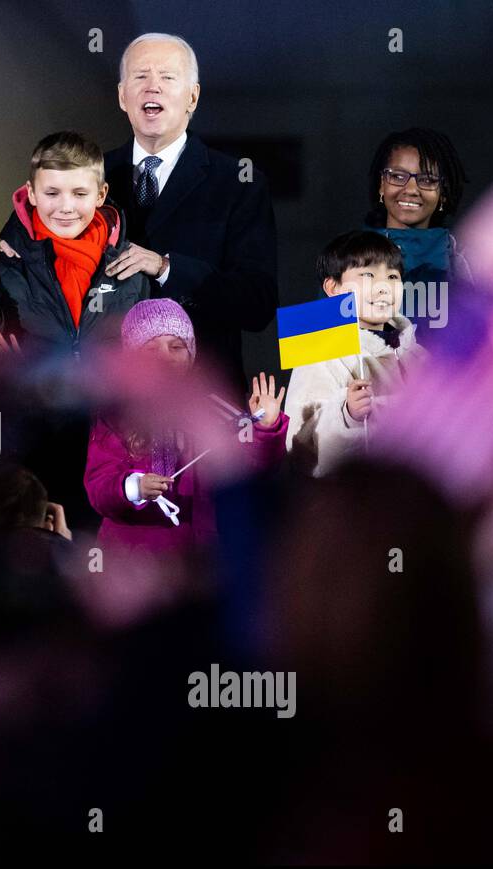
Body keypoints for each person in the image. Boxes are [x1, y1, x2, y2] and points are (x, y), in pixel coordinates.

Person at [103, 33, 278, 384]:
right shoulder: (89, 178)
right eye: (140, 76)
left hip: (202, 400)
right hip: (111, 401)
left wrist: (166, 267)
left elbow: (256, 304)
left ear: (192, 97)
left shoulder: (238, 183)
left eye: (167, 77)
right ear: (123, 96)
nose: (152, 87)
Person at [84, 298, 286, 553]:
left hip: (198, 563)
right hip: (134, 566)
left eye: (176, 346)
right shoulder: (116, 416)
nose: (165, 357)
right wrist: (134, 487)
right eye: (151, 349)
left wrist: (266, 428)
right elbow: (98, 487)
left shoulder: (211, 412)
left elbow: (252, 469)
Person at [0, 130, 151, 361]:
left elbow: (151, 367)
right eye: (52, 193)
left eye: (80, 193)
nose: (66, 207)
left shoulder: (130, 270)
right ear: (31, 193)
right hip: (24, 398)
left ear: (101, 195)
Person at [283, 230, 428, 477]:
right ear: (333, 287)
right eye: (368, 275)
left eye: (392, 276)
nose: (384, 287)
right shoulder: (322, 350)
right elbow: (299, 443)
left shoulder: (417, 354)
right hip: (355, 502)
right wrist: (346, 415)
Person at [363, 127, 472, 296]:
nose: (411, 189)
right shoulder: (346, 256)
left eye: (428, 180)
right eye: (398, 176)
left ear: (443, 193)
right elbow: (318, 321)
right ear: (381, 185)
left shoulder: (463, 264)